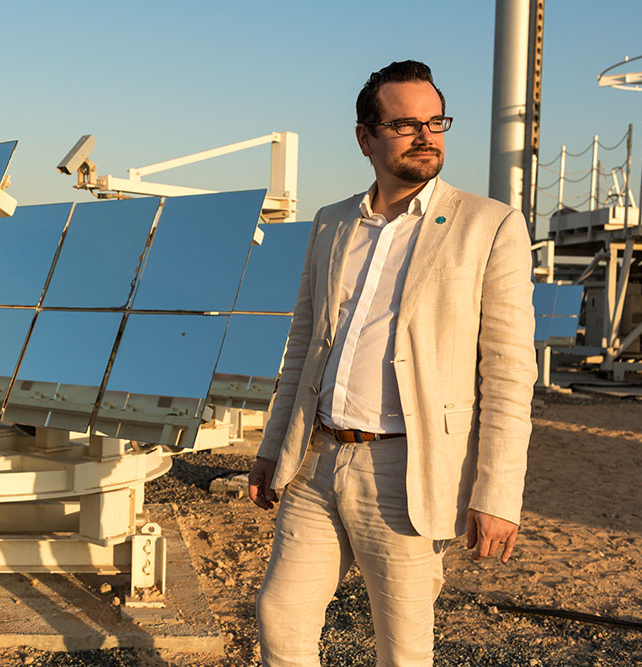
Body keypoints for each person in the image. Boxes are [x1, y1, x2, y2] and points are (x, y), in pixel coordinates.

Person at [248, 60, 536, 667]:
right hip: (317, 458)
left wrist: (498, 494)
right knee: (280, 614)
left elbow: (510, 373)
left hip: (405, 469)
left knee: (402, 649)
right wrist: (275, 445)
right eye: (405, 124)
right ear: (366, 138)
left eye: (436, 122)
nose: (427, 136)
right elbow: (303, 344)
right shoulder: (332, 222)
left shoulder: (489, 226)